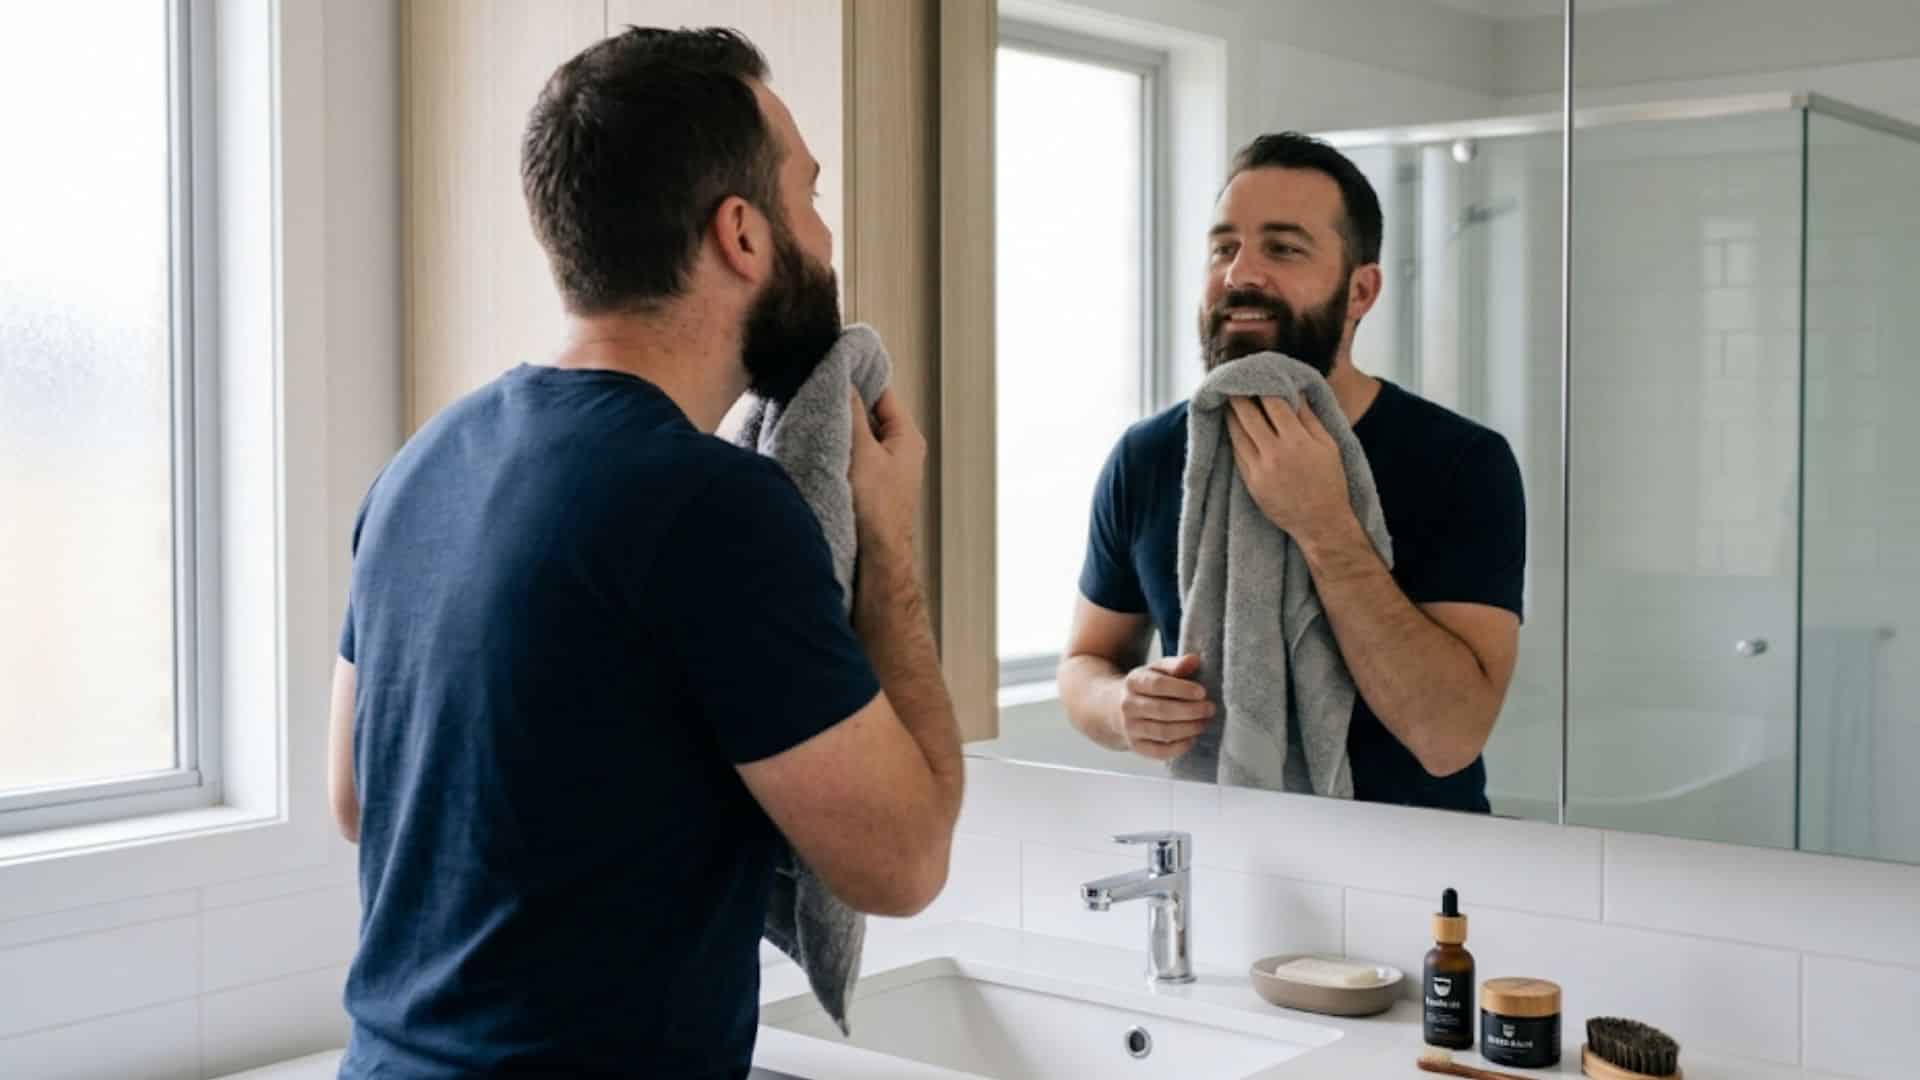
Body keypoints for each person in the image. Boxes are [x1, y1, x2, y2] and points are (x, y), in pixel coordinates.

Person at [325, 27, 963, 1078]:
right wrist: (886, 541)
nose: (825, 232)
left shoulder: (423, 464)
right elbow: (903, 863)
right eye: (810, 195)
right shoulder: (715, 508)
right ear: (742, 235)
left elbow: (355, 798)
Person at [1058, 132, 1525, 813]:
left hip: (1419, 883)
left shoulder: (1461, 463)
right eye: (1224, 247)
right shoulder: (1149, 457)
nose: (1241, 274)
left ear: (1360, 290)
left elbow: (1448, 737)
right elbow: (1084, 664)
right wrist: (1119, 704)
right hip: (1230, 864)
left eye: (1282, 248)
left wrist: (1325, 525)